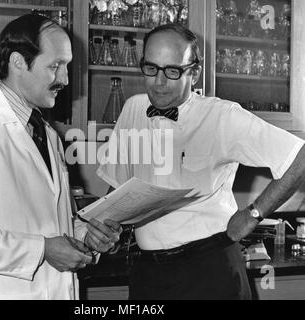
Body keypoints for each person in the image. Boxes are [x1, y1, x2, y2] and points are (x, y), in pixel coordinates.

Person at [96, 23, 305, 300]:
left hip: (209, 269)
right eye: (151, 68)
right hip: (147, 271)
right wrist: (107, 228)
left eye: (172, 71)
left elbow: (299, 156)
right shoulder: (133, 108)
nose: (159, 82)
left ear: (194, 73)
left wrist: (253, 214)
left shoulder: (222, 117)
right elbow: (118, 188)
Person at [0, 13, 121, 300]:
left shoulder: (49, 135)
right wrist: (42, 249)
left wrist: (86, 236)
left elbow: (53, 223)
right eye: (56, 66)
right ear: (19, 62)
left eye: (67, 67)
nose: (65, 79)